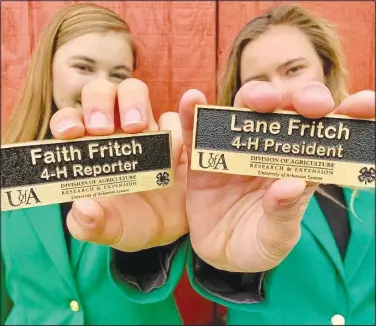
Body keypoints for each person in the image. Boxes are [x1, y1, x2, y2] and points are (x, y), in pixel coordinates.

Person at [178, 4, 375, 325]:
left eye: (294, 69)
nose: (280, 92)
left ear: (325, 69)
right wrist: (228, 266)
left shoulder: (366, 163)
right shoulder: (226, 186)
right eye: (258, 80)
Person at [1, 3, 190, 325]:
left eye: (118, 74)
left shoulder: (157, 165)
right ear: (47, 68)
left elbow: (158, 272)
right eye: (84, 67)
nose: (100, 87)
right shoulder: (10, 169)